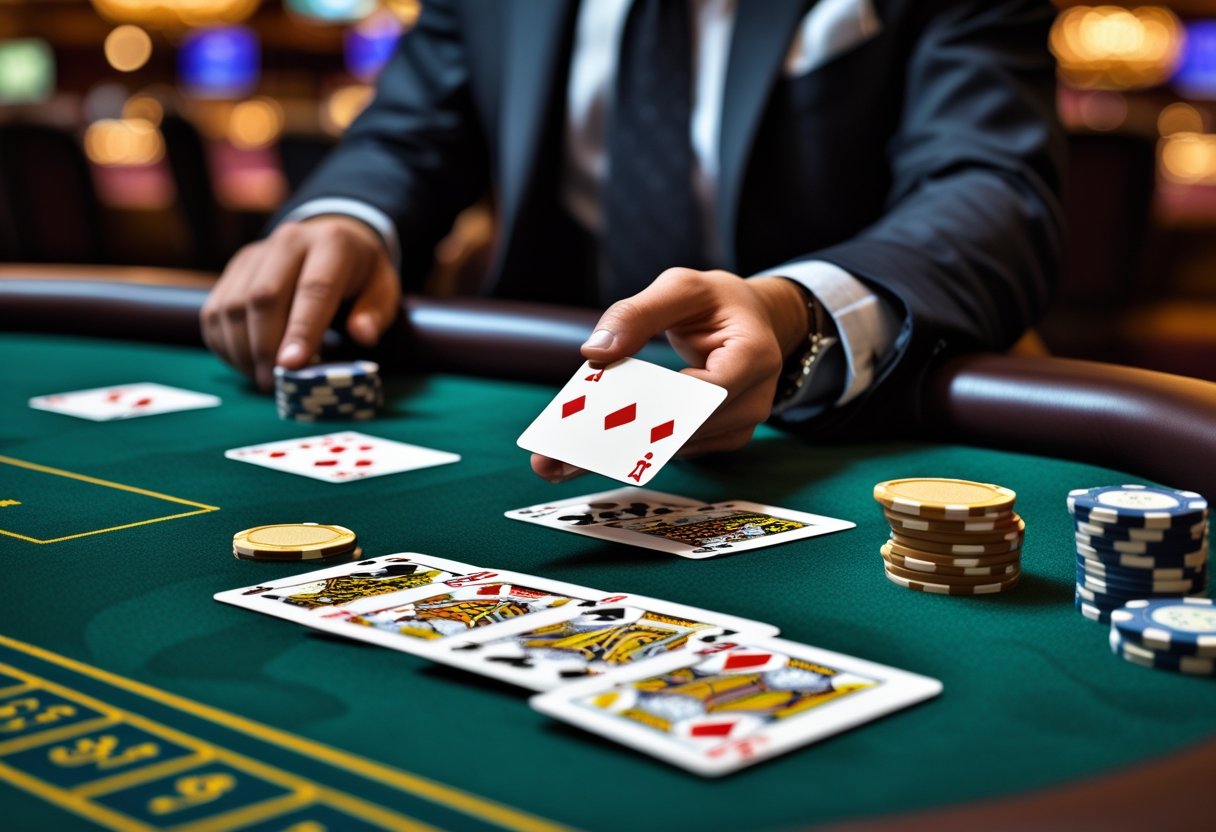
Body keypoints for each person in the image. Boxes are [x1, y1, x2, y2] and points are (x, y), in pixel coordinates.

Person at [201, 0, 1065, 481]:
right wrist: (345, 219)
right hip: (541, 382)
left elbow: (991, 190)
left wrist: (795, 307)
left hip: (839, 413)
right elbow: (408, 136)